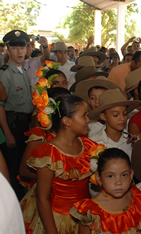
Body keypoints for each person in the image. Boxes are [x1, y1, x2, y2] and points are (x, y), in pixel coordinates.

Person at [20, 94, 98, 233]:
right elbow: (42, 198)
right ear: (67, 121)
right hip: (60, 219)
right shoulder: (50, 154)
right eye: (84, 115)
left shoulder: (86, 145)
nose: (88, 120)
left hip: (85, 217)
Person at [70, 147, 141, 234]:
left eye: (124, 175)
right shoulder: (90, 211)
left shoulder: (136, 199)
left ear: (131, 175)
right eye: (110, 176)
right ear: (99, 178)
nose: (119, 182)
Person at [0, 30, 34, 200]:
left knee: (22, 165)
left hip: (23, 126)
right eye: (15, 48)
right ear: (8, 50)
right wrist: (7, 134)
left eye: (23, 47)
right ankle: (14, 204)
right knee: (13, 169)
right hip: (12, 126)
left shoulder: (23, 72)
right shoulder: (5, 73)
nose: (20, 51)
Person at [88, 89, 140, 158]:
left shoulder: (131, 141)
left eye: (124, 114)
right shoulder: (94, 142)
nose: (122, 119)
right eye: (115, 115)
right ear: (103, 116)